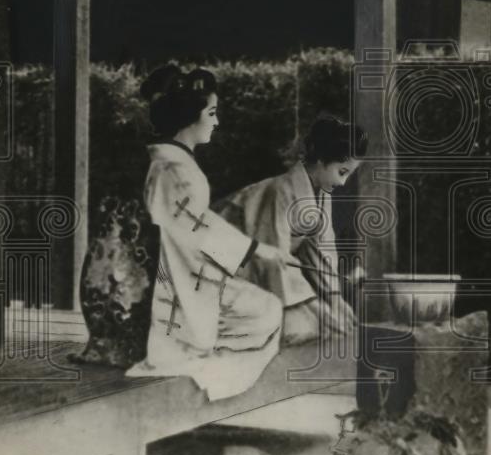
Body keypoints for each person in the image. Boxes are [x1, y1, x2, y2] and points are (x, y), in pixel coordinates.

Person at [125, 65, 300, 400]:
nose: (216, 122)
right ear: (189, 117)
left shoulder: (171, 165)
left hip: (188, 267)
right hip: (179, 274)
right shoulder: (173, 169)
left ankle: (201, 348)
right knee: (266, 311)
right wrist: (255, 250)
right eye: (211, 113)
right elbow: (195, 227)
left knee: (265, 309)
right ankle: (198, 354)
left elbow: (197, 219)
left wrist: (254, 248)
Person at [216, 115, 367, 344]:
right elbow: (274, 257)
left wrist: (335, 298)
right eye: (342, 172)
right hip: (224, 269)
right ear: (321, 161)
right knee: (301, 327)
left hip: (267, 271)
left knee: (323, 324)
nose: (343, 183)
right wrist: (315, 306)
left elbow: (321, 250)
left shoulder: (321, 194)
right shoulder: (280, 190)